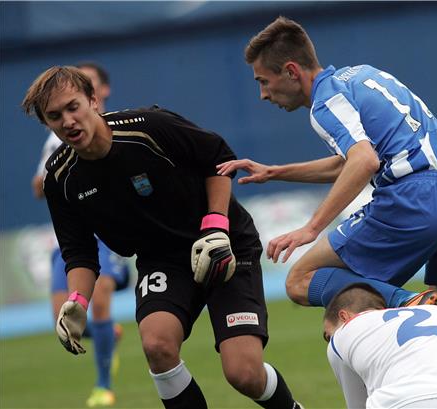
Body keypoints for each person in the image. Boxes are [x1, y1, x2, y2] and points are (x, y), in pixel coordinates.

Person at [22, 66, 302, 409]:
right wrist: (78, 302)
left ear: (93, 100)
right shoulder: (59, 179)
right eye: (54, 116)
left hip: (224, 243)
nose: (67, 121)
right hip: (162, 259)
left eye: (72, 107)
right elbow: (79, 252)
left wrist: (215, 227)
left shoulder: (149, 127)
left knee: (243, 373)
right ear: (46, 124)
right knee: (157, 344)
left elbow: (218, 158)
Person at [217, 16, 437, 321]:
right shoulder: (364, 76)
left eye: (263, 81)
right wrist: (275, 172)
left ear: (291, 71)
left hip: (416, 201)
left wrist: (311, 228)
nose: (263, 94)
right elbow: (353, 160)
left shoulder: (325, 103)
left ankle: (410, 302)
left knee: (300, 280)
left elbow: (364, 161)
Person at [30, 62, 129, 408]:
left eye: (90, 85)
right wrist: (55, 177)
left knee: (98, 300)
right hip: (69, 241)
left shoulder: (119, 128)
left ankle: (104, 386)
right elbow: (38, 187)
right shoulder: (56, 138)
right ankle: (108, 335)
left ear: (100, 93)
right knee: (66, 320)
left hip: (105, 236)